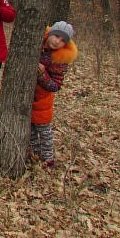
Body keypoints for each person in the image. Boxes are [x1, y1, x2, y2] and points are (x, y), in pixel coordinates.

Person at [30, 21, 78, 168]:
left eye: (63, 40)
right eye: (56, 36)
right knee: (30, 130)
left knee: (44, 132)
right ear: (50, 33)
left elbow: (55, 85)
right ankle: (34, 154)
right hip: (28, 97)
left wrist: (42, 73)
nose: (58, 41)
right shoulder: (37, 42)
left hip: (43, 100)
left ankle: (48, 160)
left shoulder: (60, 59)